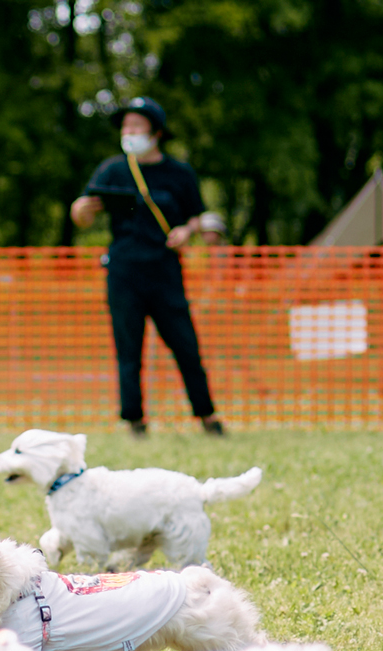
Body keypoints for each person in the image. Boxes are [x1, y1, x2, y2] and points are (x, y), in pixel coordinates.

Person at [71, 97, 224, 436]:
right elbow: (81, 211)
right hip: (124, 271)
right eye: (126, 127)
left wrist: (187, 230)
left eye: (137, 126)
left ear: (155, 132)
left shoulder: (179, 173)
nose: (130, 132)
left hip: (165, 270)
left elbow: (199, 215)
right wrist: (83, 208)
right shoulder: (112, 169)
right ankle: (134, 421)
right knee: (129, 350)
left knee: (186, 346)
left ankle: (207, 416)